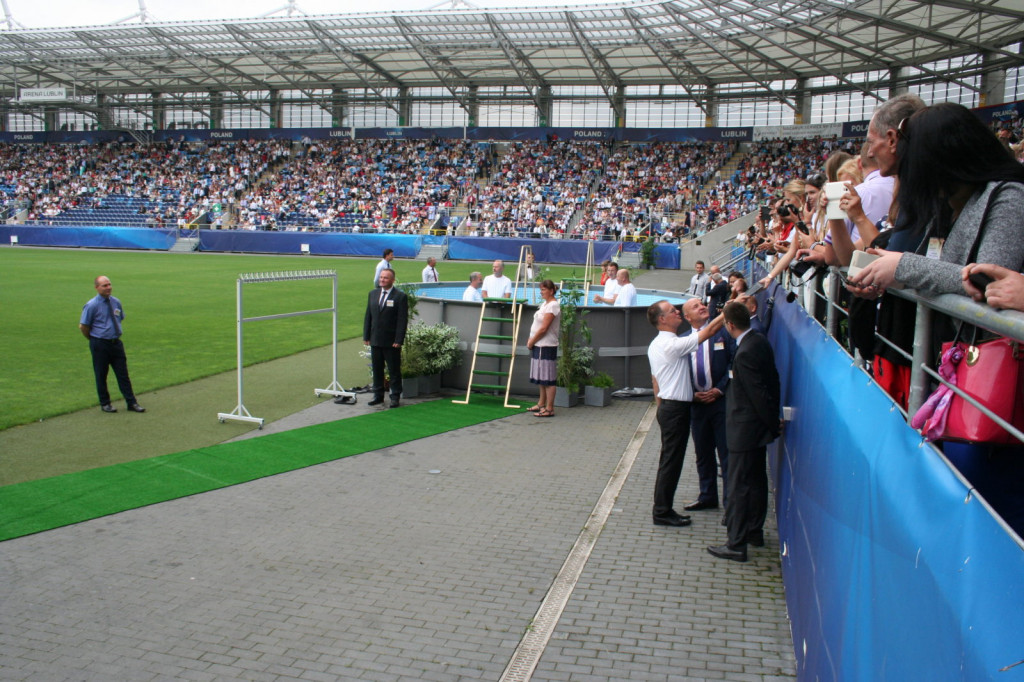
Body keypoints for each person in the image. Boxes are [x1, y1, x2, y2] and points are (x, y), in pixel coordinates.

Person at [848, 103, 1024, 297]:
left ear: (934, 156)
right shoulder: (946, 203)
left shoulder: (1008, 195)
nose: (910, 169)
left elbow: (987, 281)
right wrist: (885, 274)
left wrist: (901, 266)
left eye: (911, 158)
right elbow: (940, 272)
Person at [646, 298, 730, 527]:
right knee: (671, 463)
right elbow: (709, 330)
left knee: (670, 461)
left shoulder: (658, 344)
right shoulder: (671, 344)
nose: (677, 313)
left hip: (671, 407)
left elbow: (656, 381)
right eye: (672, 311)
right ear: (662, 319)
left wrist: (660, 408)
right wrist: (729, 311)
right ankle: (662, 511)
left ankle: (663, 509)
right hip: (676, 409)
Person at [708, 302, 780, 563]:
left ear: (729, 325)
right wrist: (772, 422)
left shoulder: (745, 352)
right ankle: (753, 531)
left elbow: (757, 393)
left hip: (744, 430)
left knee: (738, 486)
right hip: (756, 430)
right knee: (757, 480)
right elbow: (772, 382)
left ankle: (736, 543)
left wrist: (771, 422)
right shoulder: (759, 342)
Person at [681, 298, 735, 512]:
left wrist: (720, 389)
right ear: (687, 317)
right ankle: (707, 496)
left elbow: (733, 363)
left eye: (702, 304)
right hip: (697, 406)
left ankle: (730, 505)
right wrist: (693, 394)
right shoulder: (684, 341)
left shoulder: (723, 333)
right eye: (695, 306)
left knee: (726, 455)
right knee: (703, 454)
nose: (702, 307)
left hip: (721, 403)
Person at [79, 275, 146, 414]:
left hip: (116, 343)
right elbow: (83, 326)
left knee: (123, 374)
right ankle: (105, 403)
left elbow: (119, 318)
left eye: (109, 284)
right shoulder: (92, 305)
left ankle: (131, 402)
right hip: (100, 344)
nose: (108, 287)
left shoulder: (116, 302)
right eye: (104, 285)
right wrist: (93, 340)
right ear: (97, 288)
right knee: (101, 374)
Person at [363, 269, 409, 408]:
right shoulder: (373, 294)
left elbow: (402, 320)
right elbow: (368, 316)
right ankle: (378, 395)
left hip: (391, 342)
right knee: (377, 369)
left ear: (392, 280)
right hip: (375, 339)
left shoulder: (400, 296)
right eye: (381, 277)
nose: (382, 280)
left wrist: (398, 340)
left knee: (394, 370)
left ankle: (395, 397)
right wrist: (366, 336)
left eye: (386, 278)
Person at [525, 280, 561, 418]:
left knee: (548, 378)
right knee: (541, 377)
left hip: (546, 345)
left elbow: (544, 328)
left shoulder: (553, 306)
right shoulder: (545, 304)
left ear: (551, 291)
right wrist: (532, 340)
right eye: (541, 289)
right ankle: (541, 404)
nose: (541, 292)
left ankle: (550, 408)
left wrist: (531, 341)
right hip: (538, 345)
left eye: (544, 289)